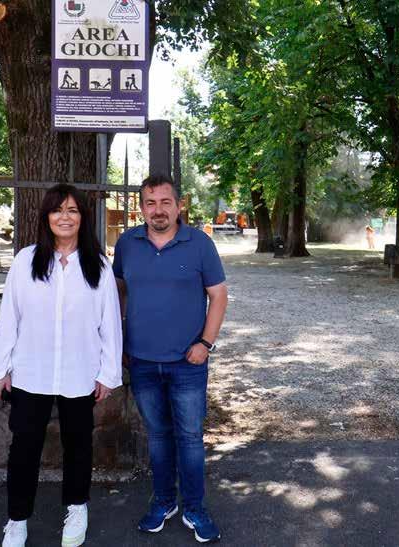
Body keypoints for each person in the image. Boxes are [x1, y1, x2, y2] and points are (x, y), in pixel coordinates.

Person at [0, 184, 122, 547]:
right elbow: (9, 318)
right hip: (31, 372)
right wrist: (0, 369)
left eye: (73, 210)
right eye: (57, 210)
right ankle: (17, 520)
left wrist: (108, 373)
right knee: (24, 449)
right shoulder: (26, 261)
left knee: (78, 445)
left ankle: (77, 507)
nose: (65, 217)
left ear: (83, 218)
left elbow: (110, 323)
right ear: (46, 217)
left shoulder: (98, 266)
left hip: (80, 372)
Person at [113, 174, 228, 543]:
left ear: (179, 206)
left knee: (190, 437)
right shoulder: (127, 244)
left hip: (187, 363)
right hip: (142, 361)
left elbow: (219, 296)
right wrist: (119, 342)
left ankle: (195, 508)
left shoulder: (200, 244)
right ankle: (164, 502)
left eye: (165, 202)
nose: (158, 209)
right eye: (150, 203)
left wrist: (206, 343)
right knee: (158, 436)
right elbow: (118, 293)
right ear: (141, 208)